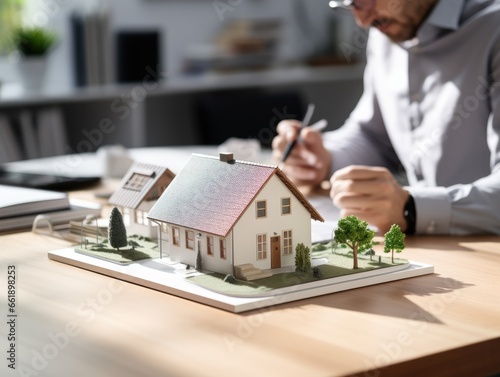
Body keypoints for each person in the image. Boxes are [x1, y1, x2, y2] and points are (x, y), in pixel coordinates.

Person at [272, 0, 500, 235]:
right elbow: (374, 136)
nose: (362, 21)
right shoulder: (387, 31)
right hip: (433, 246)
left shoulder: (494, 27)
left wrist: (411, 208)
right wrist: (323, 158)